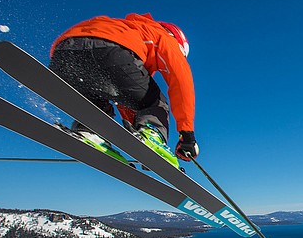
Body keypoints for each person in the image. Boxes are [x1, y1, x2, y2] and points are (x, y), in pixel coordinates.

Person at [49, 13, 200, 164]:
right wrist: (187, 135)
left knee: (96, 97)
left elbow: (126, 97)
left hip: (62, 55)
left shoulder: (129, 29)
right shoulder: (164, 37)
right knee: (155, 102)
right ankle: (152, 135)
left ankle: (89, 131)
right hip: (111, 50)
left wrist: (135, 133)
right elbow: (181, 83)